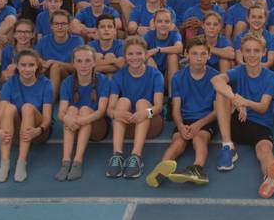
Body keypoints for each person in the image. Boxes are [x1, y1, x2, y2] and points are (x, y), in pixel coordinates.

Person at [211, 32, 274, 199]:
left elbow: (263, 107)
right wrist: (235, 100)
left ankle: (269, 178)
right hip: (237, 121)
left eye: (256, 50)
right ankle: (228, 146)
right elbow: (216, 80)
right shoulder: (238, 71)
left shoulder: (271, 77)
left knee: (264, 150)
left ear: (264, 52)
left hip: (260, 123)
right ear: (242, 53)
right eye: (248, 50)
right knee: (221, 94)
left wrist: (244, 102)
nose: (252, 55)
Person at [146, 36, 218, 187]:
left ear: (209, 56)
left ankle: (197, 169)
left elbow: (217, 111)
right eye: (194, 53)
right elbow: (176, 110)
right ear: (186, 54)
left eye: (203, 54)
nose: (199, 58)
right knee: (178, 142)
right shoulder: (178, 77)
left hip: (206, 119)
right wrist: (180, 126)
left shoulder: (216, 78)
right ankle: (161, 168)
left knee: (199, 139)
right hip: (184, 119)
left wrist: (199, 124)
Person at [106, 36, 166, 179]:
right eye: (130, 54)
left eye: (139, 53)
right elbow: (110, 109)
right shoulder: (119, 76)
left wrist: (146, 113)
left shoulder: (156, 75)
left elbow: (158, 107)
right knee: (123, 101)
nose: (135, 57)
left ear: (145, 55)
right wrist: (116, 114)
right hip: (127, 124)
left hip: (150, 124)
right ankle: (117, 155)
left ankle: (136, 156)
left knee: (142, 103)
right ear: (125, 57)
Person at [0, 49, 53, 183]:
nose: (27, 69)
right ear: (17, 66)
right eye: (23, 65)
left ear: (37, 66)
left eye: (31, 65)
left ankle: (21, 162)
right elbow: (1, 110)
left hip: (38, 133)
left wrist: (39, 130)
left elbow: (47, 118)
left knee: (27, 107)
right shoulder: (10, 83)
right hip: (16, 134)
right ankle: (4, 163)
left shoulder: (46, 83)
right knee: (9, 108)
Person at [56, 45, 110, 181]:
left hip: (98, 128)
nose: (83, 65)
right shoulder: (67, 82)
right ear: (73, 63)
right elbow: (60, 113)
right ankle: (66, 161)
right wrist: (67, 119)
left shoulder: (103, 81)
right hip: (75, 126)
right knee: (71, 110)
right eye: (79, 61)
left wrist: (82, 120)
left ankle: (77, 161)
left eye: (87, 60)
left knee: (85, 109)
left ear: (94, 62)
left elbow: (101, 111)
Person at [35, 10, 85, 101]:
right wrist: (42, 63)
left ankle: (49, 103)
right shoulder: (44, 40)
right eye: (56, 24)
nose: (60, 27)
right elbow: (35, 58)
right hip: (47, 79)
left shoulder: (77, 41)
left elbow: (80, 66)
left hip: (70, 81)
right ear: (51, 26)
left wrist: (53, 62)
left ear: (69, 26)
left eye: (63, 24)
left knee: (56, 67)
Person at [143, 8, 184, 91]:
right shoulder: (149, 35)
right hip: (153, 76)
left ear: (171, 24)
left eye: (167, 21)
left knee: (172, 56)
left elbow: (179, 48)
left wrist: (158, 50)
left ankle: (172, 95)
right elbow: (139, 51)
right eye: (159, 21)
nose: (163, 24)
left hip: (168, 77)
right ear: (154, 23)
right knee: (148, 59)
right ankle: (155, 93)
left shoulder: (175, 34)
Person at [233, 5, 274, 69]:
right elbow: (240, 61)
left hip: (264, 70)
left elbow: (269, 63)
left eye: (260, 17)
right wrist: (252, 67)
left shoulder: (272, 38)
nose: (256, 20)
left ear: (265, 19)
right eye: (253, 17)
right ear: (247, 18)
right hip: (245, 70)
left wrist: (253, 67)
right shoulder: (239, 37)